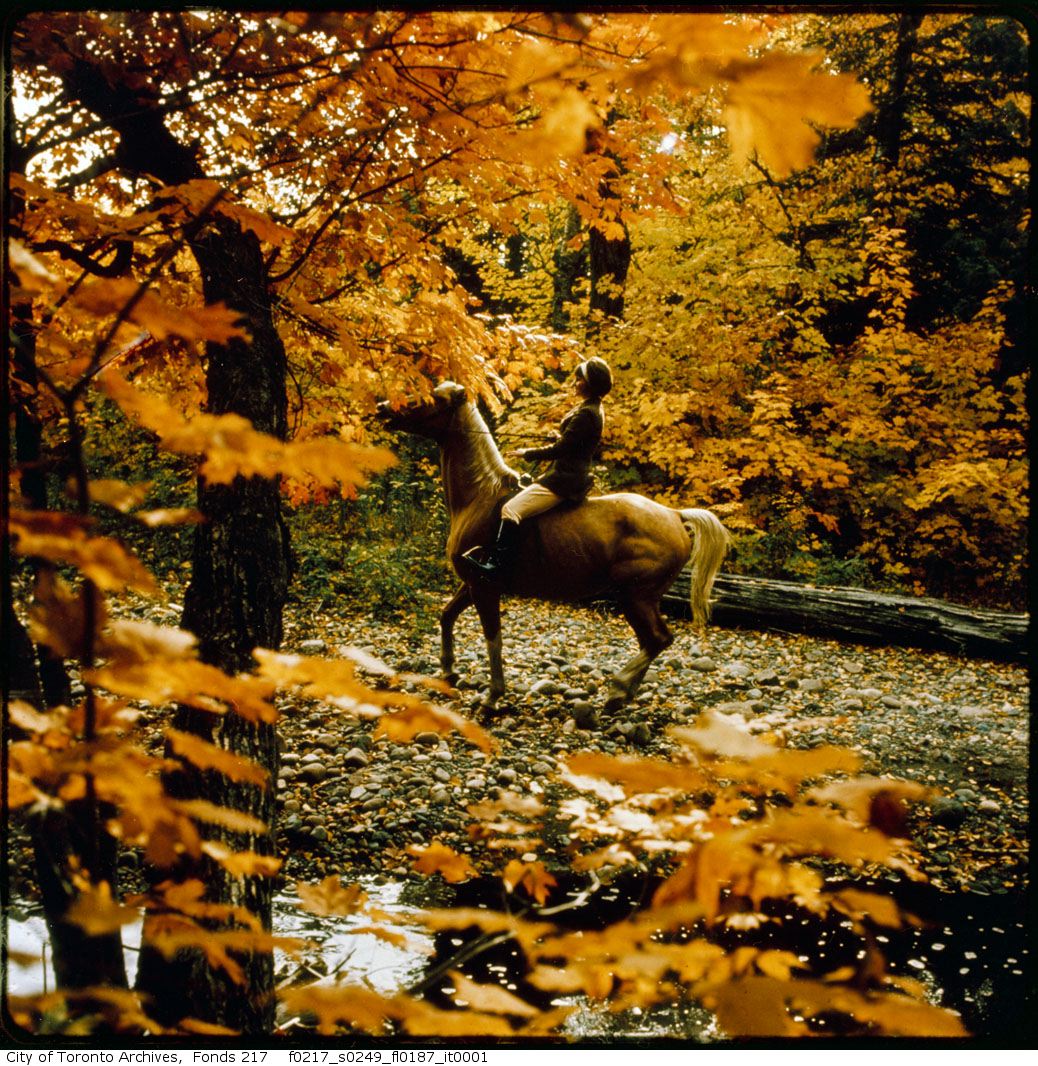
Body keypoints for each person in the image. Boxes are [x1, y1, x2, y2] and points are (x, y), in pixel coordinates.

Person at [461, 357, 612, 581]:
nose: (575, 383)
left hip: (564, 479)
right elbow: (573, 443)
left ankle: (497, 565)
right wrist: (560, 437)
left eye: (579, 379)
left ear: (590, 383)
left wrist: (528, 452)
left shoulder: (587, 412)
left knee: (510, 509)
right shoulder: (590, 408)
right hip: (564, 473)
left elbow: (562, 449)